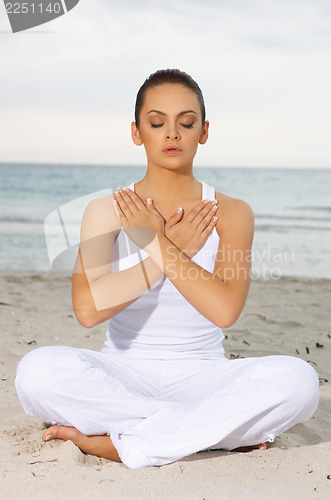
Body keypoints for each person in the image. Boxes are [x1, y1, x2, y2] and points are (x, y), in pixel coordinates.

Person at [15, 69, 320, 470]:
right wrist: (167, 250)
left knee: (299, 382)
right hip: (122, 375)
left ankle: (119, 443)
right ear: (137, 132)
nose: (172, 134)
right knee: (36, 373)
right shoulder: (106, 210)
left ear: (204, 131)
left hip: (203, 377)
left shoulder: (231, 212)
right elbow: (89, 310)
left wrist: (160, 244)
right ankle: (203, 435)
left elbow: (225, 311)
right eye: (157, 123)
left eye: (186, 123)